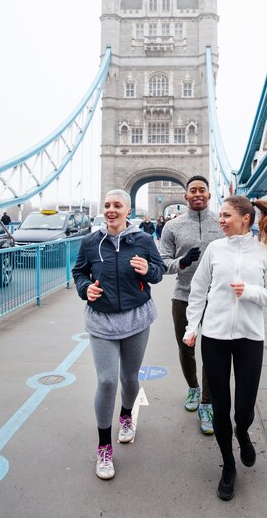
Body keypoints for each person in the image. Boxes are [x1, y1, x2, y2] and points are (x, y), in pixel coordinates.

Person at [183, 196, 267, 501]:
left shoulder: (265, 253)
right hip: (214, 337)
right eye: (221, 215)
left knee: (243, 408)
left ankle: (242, 432)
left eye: (227, 215)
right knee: (220, 407)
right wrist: (193, 328)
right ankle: (228, 466)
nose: (221, 220)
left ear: (245, 218)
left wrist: (251, 291)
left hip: (250, 338)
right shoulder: (215, 250)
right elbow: (198, 292)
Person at [72, 189, 166, 480]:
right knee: (107, 379)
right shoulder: (90, 242)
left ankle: (126, 415)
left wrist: (148, 268)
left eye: (117, 205)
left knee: (129, 378)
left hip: (136, 318)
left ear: (128, 210)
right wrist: (85, 289)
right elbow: (78, 273)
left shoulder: (143, 239)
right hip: (101, 321)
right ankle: (104, 446)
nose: (110, 210)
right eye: (107, 205)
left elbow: (159, 272)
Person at [159, 175, 223, 435]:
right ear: (185, 196)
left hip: (216, 298)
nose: (197, 194)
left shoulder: (222, 222)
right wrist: (182, 263)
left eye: (202, 190)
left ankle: (207, 403)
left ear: (209, 195)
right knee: (186, 348)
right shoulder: (172, 227)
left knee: (212, 352)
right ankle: (193, 389)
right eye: (192, 190)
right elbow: (162, 263)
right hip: (183, 296)